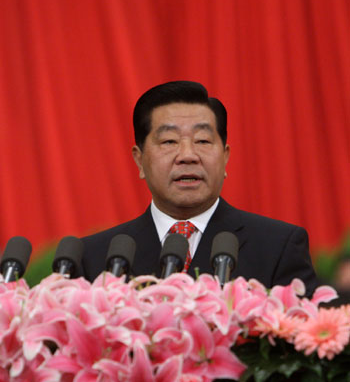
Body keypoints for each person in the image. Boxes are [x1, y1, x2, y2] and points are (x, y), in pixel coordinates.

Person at [79, 81, 319, 297]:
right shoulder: (94, 257)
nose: (187, 156)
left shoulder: (278, 247)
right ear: (140, 160)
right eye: (169, 141)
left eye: (202, 141)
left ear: (225, 157)